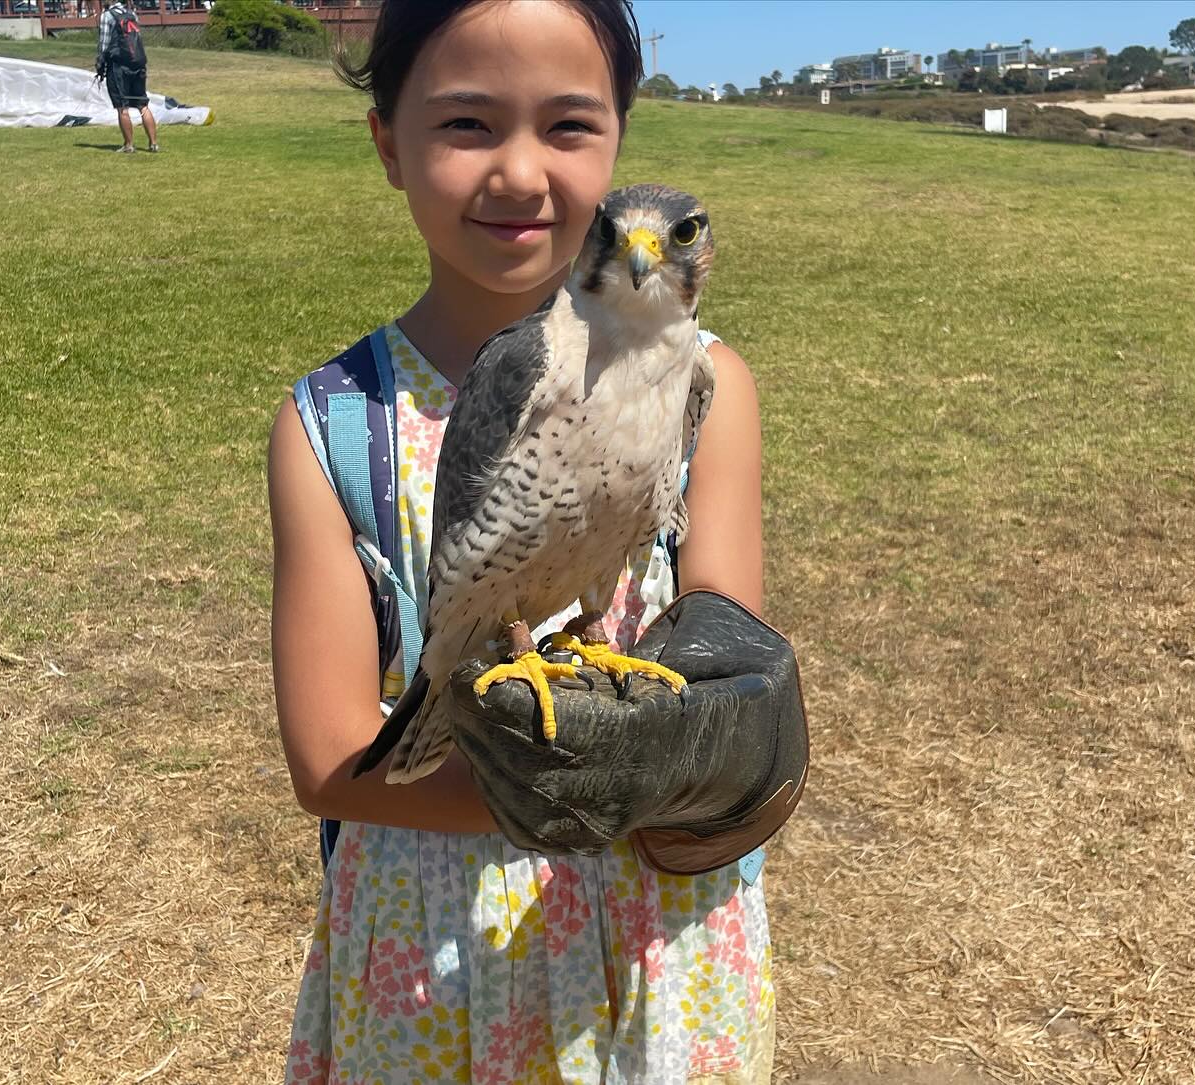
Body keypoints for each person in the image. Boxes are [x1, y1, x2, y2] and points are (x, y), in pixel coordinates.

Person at [267, 1, 774, 1082]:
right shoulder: (336, 422)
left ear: (620, 140)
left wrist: (692, 756)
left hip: (656, 931)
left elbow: (727, 646)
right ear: (387, 143)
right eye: (467, 123)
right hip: (434, 942)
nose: (520, 172)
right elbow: (332, 762)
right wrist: (562, 790)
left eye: (569, 125)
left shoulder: (708, 380)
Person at [95, 0, 158, 154]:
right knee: (143, 105)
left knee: (122, 107)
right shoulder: (132, 14)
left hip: (119, 67)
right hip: (137, 64)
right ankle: (153, 143)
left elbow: (104, 44)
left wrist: (100, 64)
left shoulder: (107, 16)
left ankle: (129, 145)